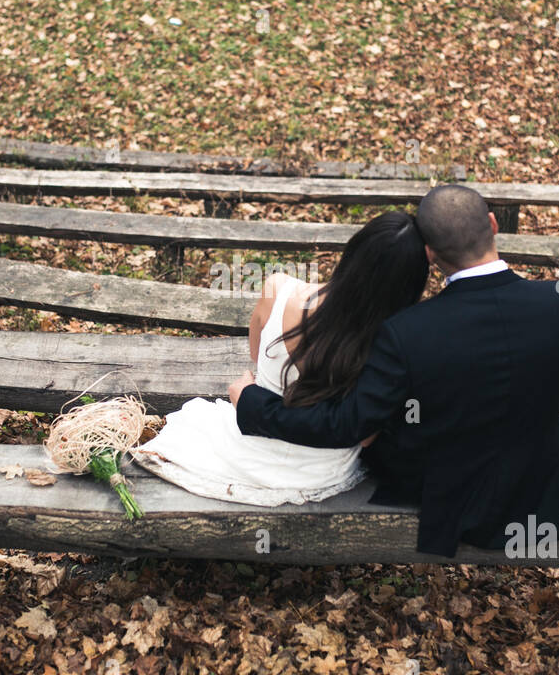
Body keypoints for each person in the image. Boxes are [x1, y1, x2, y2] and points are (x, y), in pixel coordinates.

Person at [230, 184, 559, 558]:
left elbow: (345, 425)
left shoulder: (407, 330)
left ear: (431, 255)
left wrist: (253, 403)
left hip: (449, 499)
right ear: (492, 223)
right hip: (543, 492)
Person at [130, 210, 429, 505]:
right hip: (321, 470)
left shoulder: (278, 289)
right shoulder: (396, 346)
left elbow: (255, 356)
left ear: (351, 253)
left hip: (248, 445)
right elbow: (365, 435)